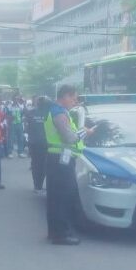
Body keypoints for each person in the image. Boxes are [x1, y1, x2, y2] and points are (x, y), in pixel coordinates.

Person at [44, 85, 91, 245]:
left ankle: (56, 232)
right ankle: (61, 234)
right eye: (73, 98)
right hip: (61, 160)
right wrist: (84, 131)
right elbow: (69, 138)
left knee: (56, 197)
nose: (75, 101)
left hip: (57, 159)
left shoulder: (57, 111)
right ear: (65, 96)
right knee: (63, 197)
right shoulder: (59, 113)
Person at [27, 96, 51, 195]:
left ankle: (37, 186)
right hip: (45, 143)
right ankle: (39, 186)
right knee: (44, 165)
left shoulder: (31, 112)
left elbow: (27, 126)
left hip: (33, 142)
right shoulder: (49, 113)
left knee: (36, 165)